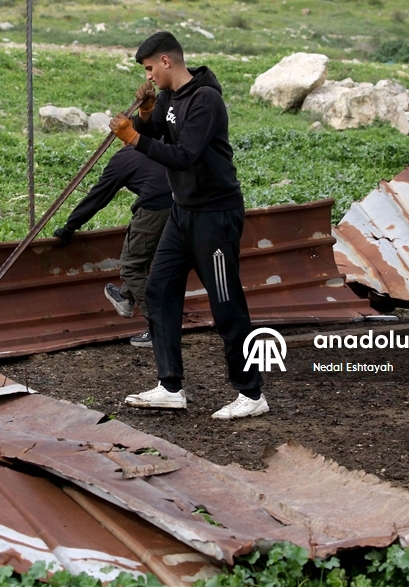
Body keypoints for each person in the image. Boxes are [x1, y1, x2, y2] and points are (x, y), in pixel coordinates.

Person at [108, 31, 268, 420]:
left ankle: (251, 393)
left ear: (166, 61)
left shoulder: (205, 99)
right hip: (183, 213)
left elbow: (182, 155)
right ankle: (169, 387)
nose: (149, 78)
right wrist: (145, 114)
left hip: (215, 215)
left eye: (150, 69)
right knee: (160, 290)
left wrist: (131, 138)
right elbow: (159, 132)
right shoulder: (169, 97)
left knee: (225, 303)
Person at [53, 144, 172, 347]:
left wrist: (69, 227)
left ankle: (159, 331)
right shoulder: (159, 143)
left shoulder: (122, 159)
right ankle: (126, 297)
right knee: (146, 256)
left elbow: (98, 197)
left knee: (132, 266)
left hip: (156, 207)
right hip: (184, 202)